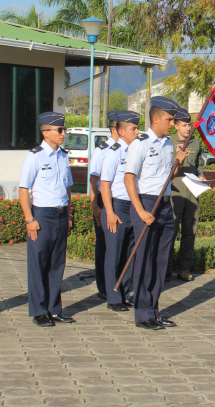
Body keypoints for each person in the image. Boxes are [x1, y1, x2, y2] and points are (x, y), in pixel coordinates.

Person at [124, 96, 187, 330]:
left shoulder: (168, 144)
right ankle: (142, 314)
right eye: (169, 119)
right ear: (156, 118)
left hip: (165, 203)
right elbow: (129, 178)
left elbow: (167, 178)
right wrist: (140, 210)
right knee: (145, 261)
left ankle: (154, 309)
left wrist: (178, 162)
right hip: (146, 203)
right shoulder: (140, 144)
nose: (172, 123)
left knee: (161, 261)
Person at [19, 112, 75, 327]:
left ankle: (54, 308)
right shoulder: (35, 156)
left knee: (56, 265)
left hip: (60, 215)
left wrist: (69, 214)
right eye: (59, 130)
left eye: (64, 130)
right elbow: (24, 190)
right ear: (45, 132)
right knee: (38, 265)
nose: (63, 134)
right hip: (42, 215)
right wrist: (29, 219)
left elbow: (67, 188)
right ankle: (39, 310)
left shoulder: (62, 155)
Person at [99, 111, 141, 311]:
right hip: (116, 206)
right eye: (133, 128)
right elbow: (104, 184)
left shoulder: (136, 150)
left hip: (132, 206)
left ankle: (124, 293)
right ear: (121, 132)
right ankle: (113, 297)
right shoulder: (113, 152)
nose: (137, 131)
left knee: (128, 254)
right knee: (114, 254)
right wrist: (109, 212)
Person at [169, 107, 206, 282]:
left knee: (190, 230)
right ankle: (166, 267)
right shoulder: (169, 142)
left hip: (192, 191)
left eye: (189, 125)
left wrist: (201, 175)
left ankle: (184, 268)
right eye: (184, 125)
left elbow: (199, 163)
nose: (188, 128)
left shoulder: (195, 143)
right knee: (171, 230)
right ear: (176, 126)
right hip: (175, 190)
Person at [90, 111, 121, 300]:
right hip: (103, 199)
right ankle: (103, 286)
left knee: (120, 245)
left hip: (120, 200)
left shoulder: (128, 148)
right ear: (114, 129)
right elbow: (94, 180)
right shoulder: (102, 150)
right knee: (104, 245)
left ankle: (118, 283)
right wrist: (95, 206)